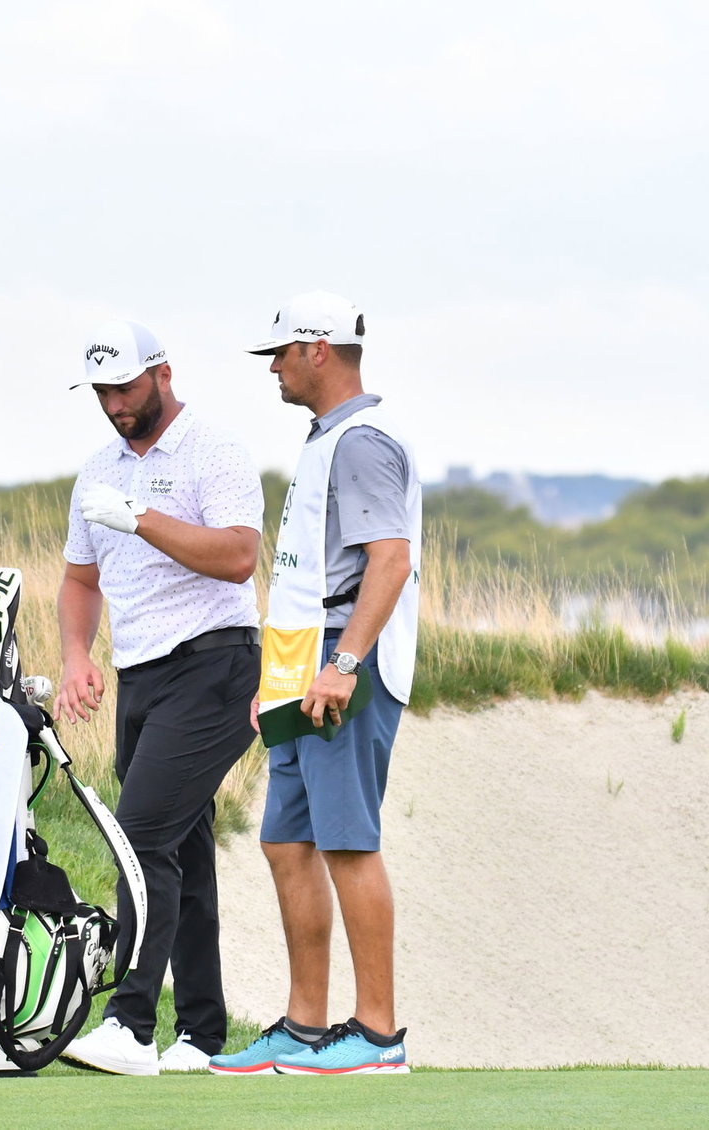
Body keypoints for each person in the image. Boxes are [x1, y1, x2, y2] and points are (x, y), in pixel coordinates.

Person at [208, 291, 421, 1076]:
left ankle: (377, 1036)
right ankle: (303, 1029)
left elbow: (388, 561)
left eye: (280, 352)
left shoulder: (363, 442)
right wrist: (282, 679)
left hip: (342, 662)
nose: (272, 367)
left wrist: (344, 664)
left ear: (317, 350)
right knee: (286, 840)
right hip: (306, 662)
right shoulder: (328, 439)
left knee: (346, 841)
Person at [55, 318, 264, 1075]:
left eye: (125, 388)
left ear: (162, 375)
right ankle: (204, 1034)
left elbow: (240, 557)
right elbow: (81, 580)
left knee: (140, 836)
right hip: (142, 677)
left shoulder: (216, 451)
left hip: (215, 665)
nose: (115, 405)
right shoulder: (96, 470)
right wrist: (78, 655)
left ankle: (132, 1024)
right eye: (102, 393)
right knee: (184, 848)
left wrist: (141, 519)